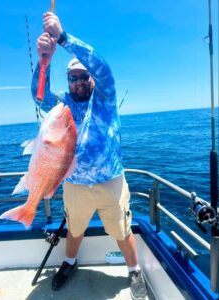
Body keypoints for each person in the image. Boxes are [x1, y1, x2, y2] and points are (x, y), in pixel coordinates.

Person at [32, 12, 147, 300]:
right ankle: (70, 263)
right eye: (74, 78)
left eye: (84, 76)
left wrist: (63, 38)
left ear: (91, 78)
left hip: (112, 182)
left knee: (122, 230)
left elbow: (103, 66)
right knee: (75, 229)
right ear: (68, 80)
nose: (79, 82)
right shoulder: (62, 104)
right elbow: (37, 95)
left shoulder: (105, 95)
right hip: (75, 185)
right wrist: (43, 60)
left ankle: (133, 270)